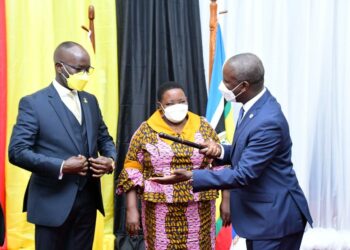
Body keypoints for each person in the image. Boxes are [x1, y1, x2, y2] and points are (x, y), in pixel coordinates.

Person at [151, 53, 313, 250]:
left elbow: (244, 174)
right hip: (262, 218)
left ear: (244, 86)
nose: (222, 86)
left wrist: (191, 176)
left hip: (274, 221)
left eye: (227, 82)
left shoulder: (267, 121)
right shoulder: (253, 107)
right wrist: (219, 151)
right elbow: (247, 151)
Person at [8, 41, 117, 250]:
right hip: (51, 202)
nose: (84, 75)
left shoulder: (90, 101)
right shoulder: (34, 103)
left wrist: (110, 160)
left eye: (88, 69)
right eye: (79, 69)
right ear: (60, 67)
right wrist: (61, 166)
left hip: (87, 200)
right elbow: (17, 152)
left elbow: (105, 139)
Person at [116, 81, 230, 249]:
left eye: (182, 101)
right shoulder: (146, 131)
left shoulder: (204, 127)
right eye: (170, 103)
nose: (177, 106)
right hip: (159, 210)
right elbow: (131, 170)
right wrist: (131, 209)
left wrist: (226, 201)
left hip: (201, 209)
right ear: (160, 106)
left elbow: (221, 165)